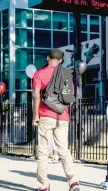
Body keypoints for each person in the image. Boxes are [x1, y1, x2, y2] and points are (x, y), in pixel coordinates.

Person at [32, 48, 80, 191]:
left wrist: (35, 115)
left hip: (46, 115)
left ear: (48, 58)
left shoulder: (39, 74)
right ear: (60, 61)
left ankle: (44, 185)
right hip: (62, 117)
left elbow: (36, 96)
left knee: (43, 151)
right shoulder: (66, 74)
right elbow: (68, 96)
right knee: (64, 150)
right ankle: (73, 181)